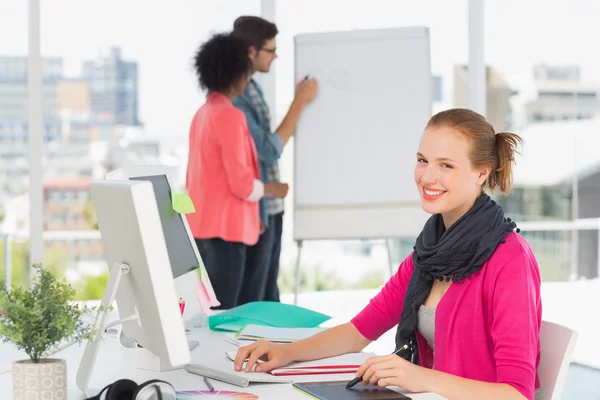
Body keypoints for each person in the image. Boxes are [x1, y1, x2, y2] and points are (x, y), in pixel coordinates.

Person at [234, 108, 543, 400]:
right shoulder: (431, 251)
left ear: (481, 173)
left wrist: (420, 377)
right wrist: (285, 352)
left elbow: (516, 393)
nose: (427, 177)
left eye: (446, 165)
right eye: (423, 160)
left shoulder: (509, 259)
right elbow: (358, 332)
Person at [186, 32, 289, 310]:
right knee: (228, 315)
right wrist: (273, 190)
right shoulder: (231, 117)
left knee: (210, 310)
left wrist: (250, 217)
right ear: (238, 74)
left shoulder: (203, 114)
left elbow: (205, 180)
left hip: (203, 230)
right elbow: (242, 185)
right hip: (226, 236)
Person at [231, 16, 318, 304]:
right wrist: (300, 102)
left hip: (270, 208)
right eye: (270, 50)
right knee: (257, 296)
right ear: (251, 52)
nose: (276, 55)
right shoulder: (238, 97)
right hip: (259, 211)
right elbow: (268, 149)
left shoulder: (252, 88)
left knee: (269, 293)